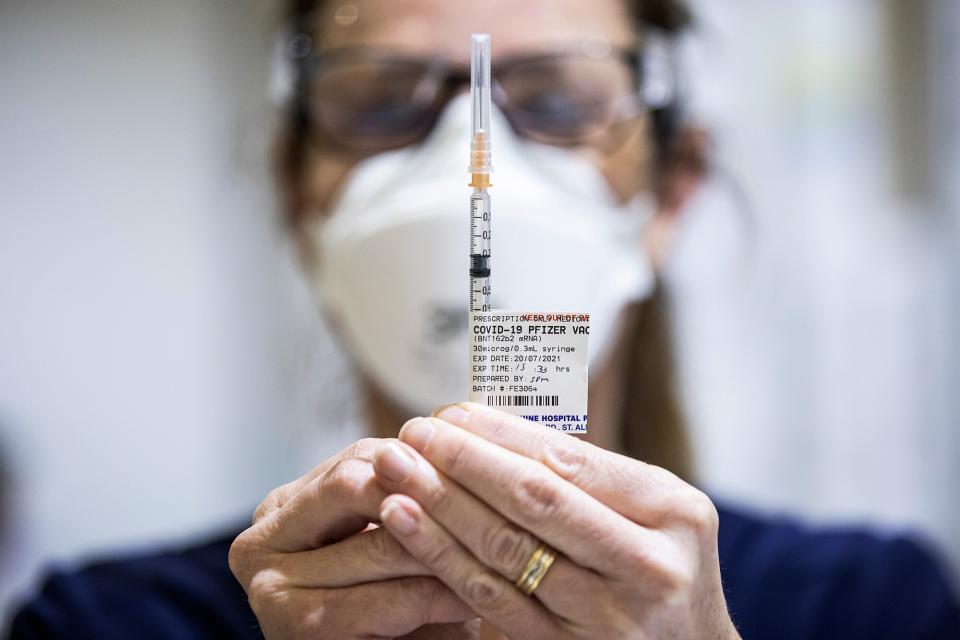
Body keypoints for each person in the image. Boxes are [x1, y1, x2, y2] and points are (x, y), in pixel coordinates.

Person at [8, 1, 960, 638]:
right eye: (380, 105)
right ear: (300, 202)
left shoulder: (871, 607)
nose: (480, 169)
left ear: (671, 192)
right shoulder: (106, 624)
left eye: (555, 103)